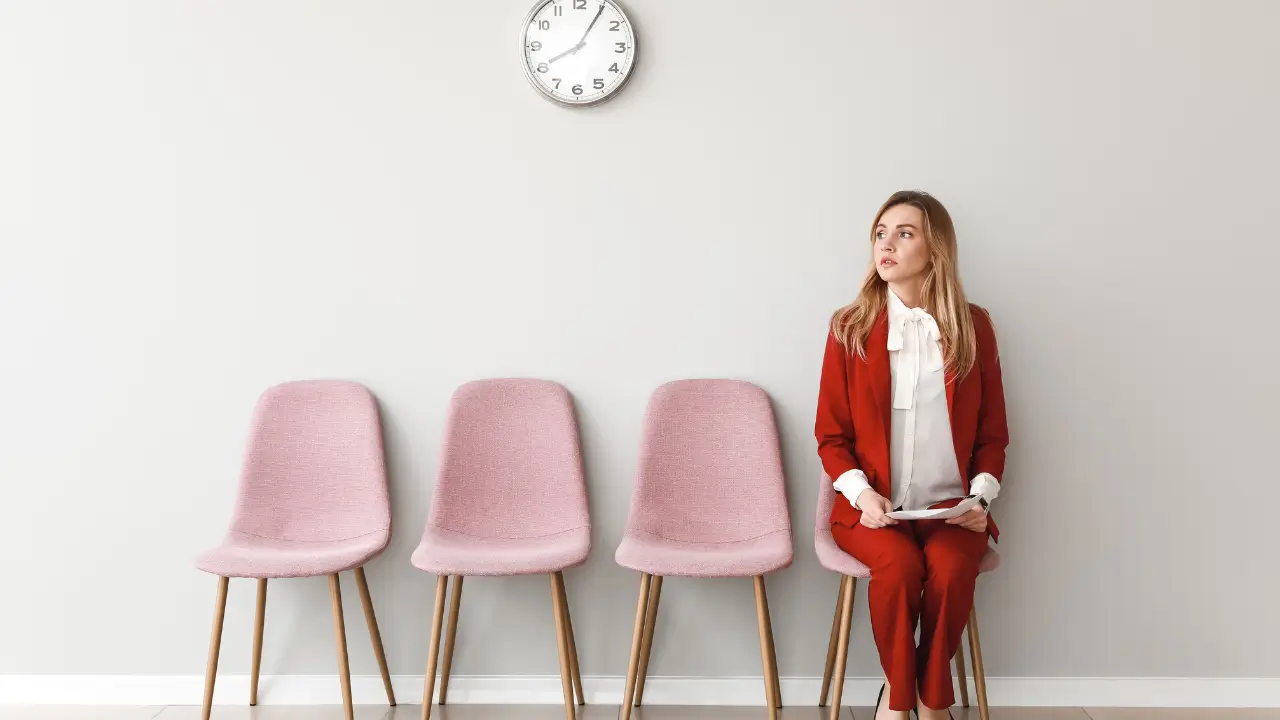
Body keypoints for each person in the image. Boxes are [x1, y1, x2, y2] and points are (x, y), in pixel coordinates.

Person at [815, 190, 1009, 720]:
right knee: (898, 571)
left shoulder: (975, 325)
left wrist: (980, 498)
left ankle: (926, 697)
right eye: (881, 232)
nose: (888, 243)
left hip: (952, 511)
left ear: (936, 248)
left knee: (948, 571)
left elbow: (994, 433)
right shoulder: (848, 327)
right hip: (874, 511)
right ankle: (904, 704)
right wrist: (861, 494)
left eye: (905, 232)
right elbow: (830, 436)